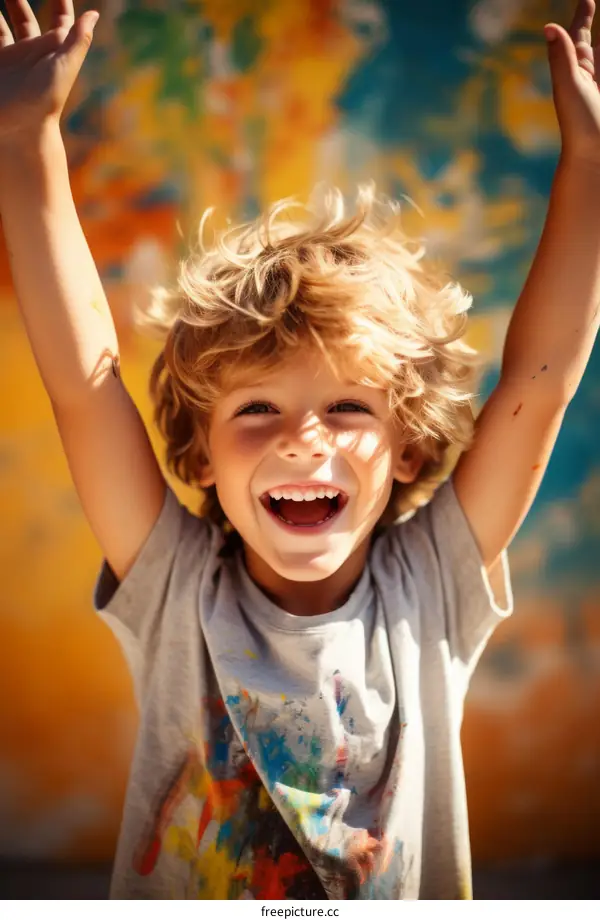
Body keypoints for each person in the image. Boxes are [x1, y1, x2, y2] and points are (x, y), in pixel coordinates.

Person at [1, 0, 599, 901]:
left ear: (408, 448)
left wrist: (592, 163)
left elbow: (538, 383)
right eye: (257, 409)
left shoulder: (432, 585)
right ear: (201, 455)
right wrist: (25, 142)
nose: (301, 437)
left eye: (348, 406)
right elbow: (84, 389)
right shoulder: (176, 588)